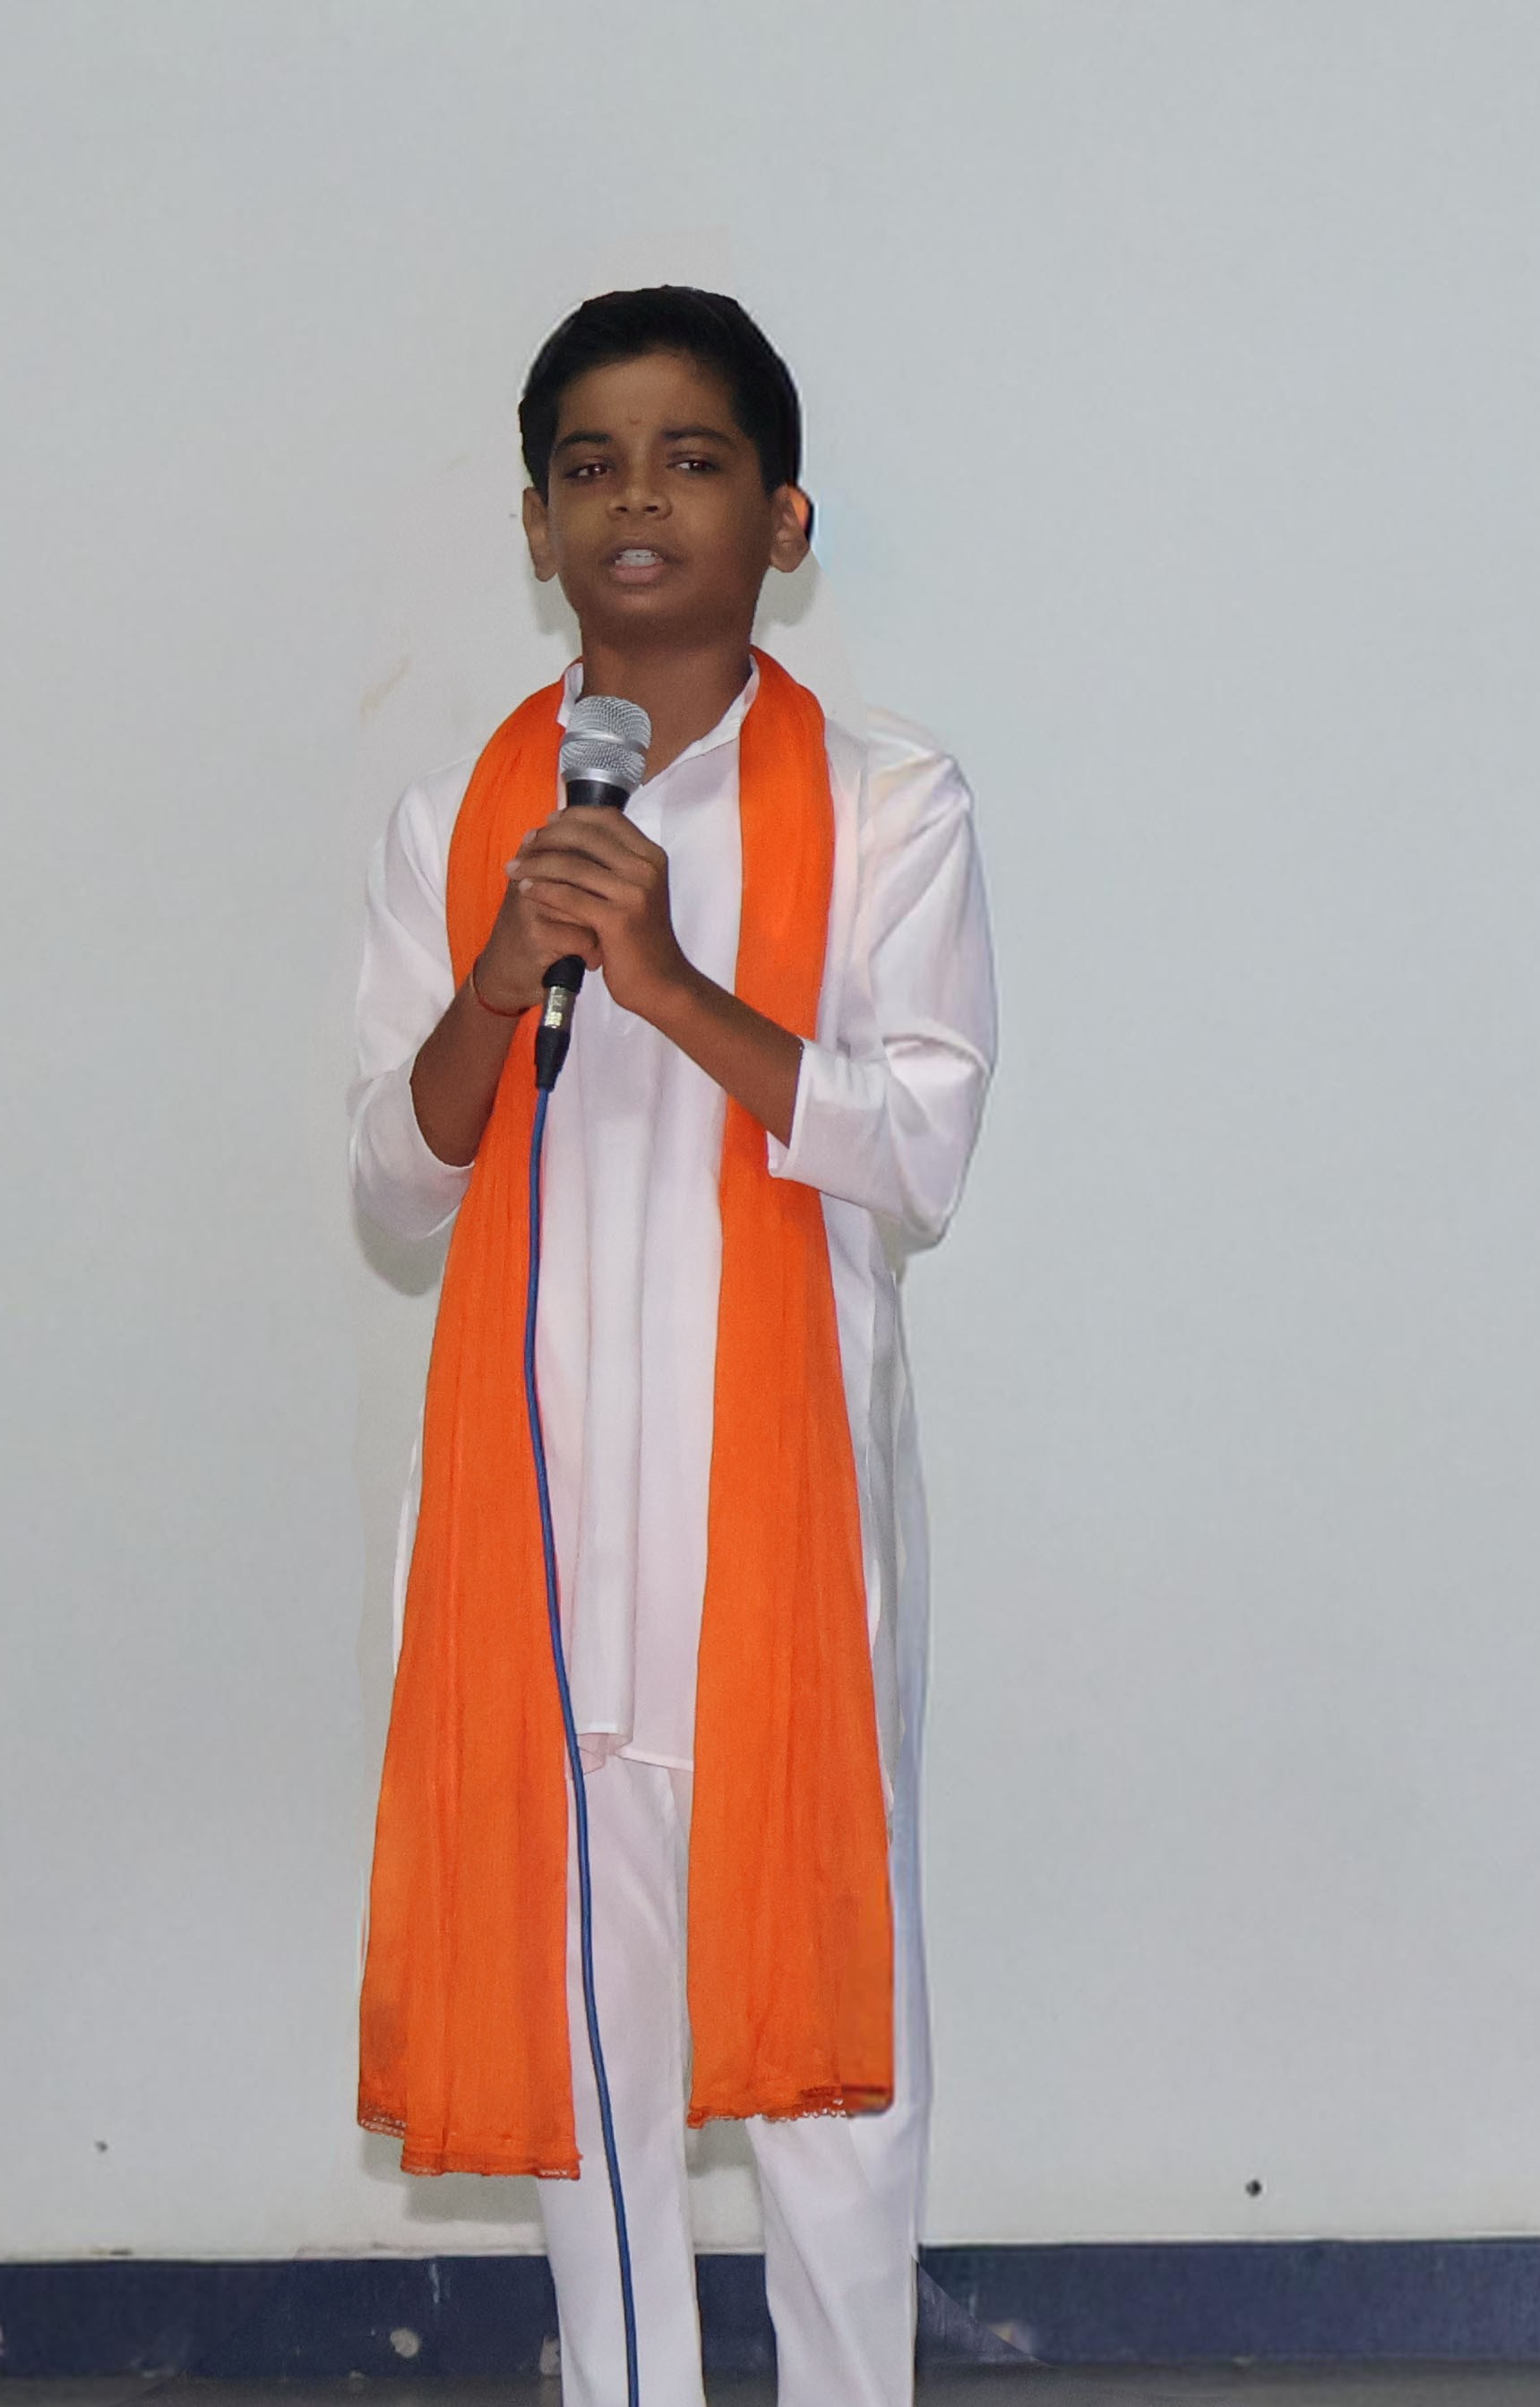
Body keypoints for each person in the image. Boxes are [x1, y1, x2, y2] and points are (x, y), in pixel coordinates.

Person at [348, 287, 995, 2407]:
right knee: (588, 2061)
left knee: (827, 2089)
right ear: (536, 528)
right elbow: (395, 1187)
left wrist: (674, 983)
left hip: (777, 1539)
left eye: (692, 458)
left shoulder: (892, 805)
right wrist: (499, 976)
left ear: (782, 519)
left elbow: (916, 1151)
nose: (637, 499)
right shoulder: (460, 816)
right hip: (542, 1543)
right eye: (590, 464)